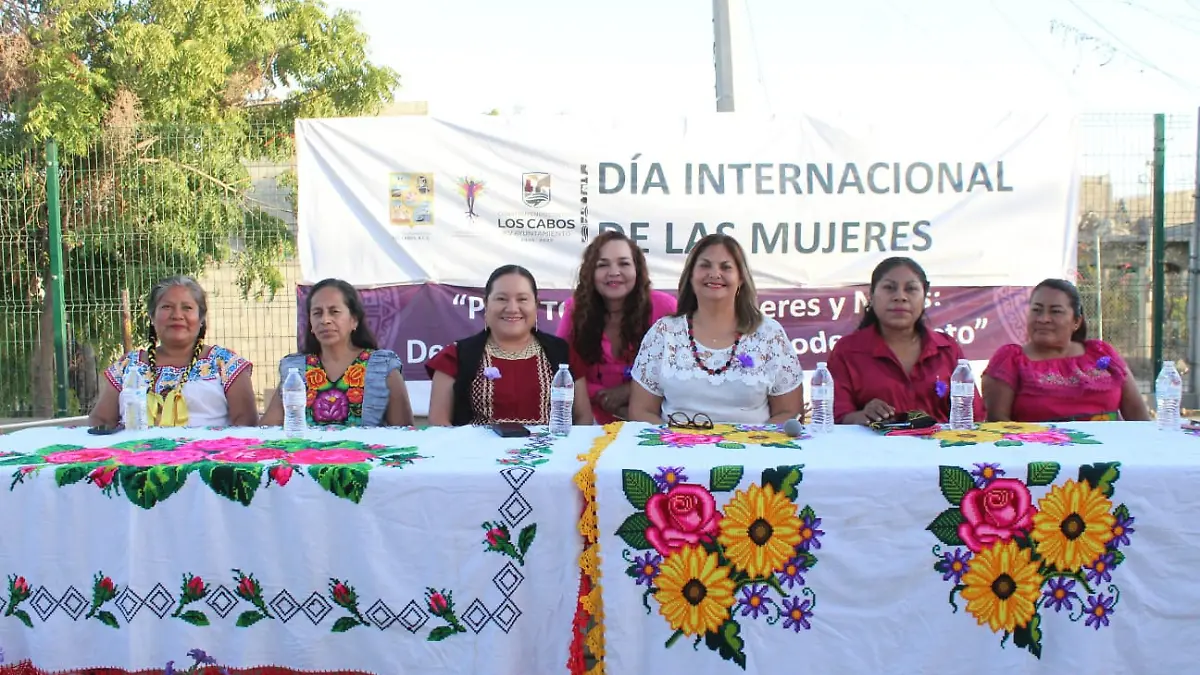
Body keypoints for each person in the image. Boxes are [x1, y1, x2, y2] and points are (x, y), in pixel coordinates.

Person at [628, 233, 804, 425]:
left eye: (726, 267)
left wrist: (754, 440)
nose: (714, 274)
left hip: (753, 444)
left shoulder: (769, 334)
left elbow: (789, 412)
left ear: (741, 278)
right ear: (691, 275)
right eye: (705, 265)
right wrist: (675, 440)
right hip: (674, 444)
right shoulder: (664, 332)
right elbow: (640, 411)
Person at [426, 265, 593, 426]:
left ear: (535, 305)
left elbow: (583, 418)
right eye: (501, 299)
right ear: (486, 304)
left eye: (522, 299)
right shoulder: (455, 356)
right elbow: (439, 423)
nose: (512, 308)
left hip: (551, 446)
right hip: (473, 447)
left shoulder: (562, 354)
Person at [828, 257, 984, 425]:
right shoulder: (848, 351)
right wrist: (863, 416)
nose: (900, 297)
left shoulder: (947, 348)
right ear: (871, 295)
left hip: (939, 442)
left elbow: (974, 416)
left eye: (911, 289)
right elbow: (835, 418)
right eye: (889, 288)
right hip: (873, 442)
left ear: (924, 296)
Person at [89, 276, 257, 428]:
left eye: (187, 308)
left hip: (210, 452)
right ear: (152, 316)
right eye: (167, 307)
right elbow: (101, 421)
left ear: (201, 318)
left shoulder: (225, 363)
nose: (177, 315)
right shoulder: (129, 365)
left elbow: (246, 425)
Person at [983, 278, 1150, 422]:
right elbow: (997, 424)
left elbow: (1138, 416)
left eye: (1055, 311)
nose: (1043, 319)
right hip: (1039, 449)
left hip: (1110, 448)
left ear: (1076, 321)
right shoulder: (1010, 360)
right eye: (1036, 310)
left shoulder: (1101, 353)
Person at [261, 278, 414, 427]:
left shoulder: (382, 367)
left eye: (334, 312)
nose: (325, 320)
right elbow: (267, 429)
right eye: (317, 313)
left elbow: (404, 433)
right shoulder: (296, 370)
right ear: (310, 324)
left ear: (354, 320)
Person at [558, 232, 677, 424]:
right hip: (591, 421)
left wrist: (631, 390)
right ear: (590, 272)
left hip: (653, 420)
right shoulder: (575, 309)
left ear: (637, 269)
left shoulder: (665, 307)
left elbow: (683, 368)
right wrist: (602, 396)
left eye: (624, 263)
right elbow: (560, 366)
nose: (614, 272)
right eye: (603, 265)